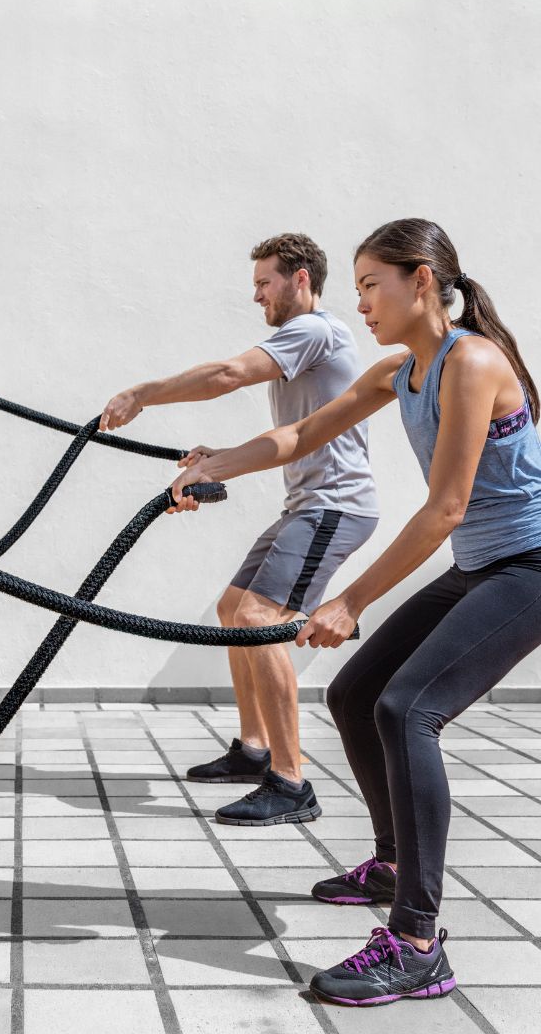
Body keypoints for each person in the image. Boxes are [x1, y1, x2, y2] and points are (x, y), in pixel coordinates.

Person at [171, 217, 541, 1006]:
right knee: (353, 693)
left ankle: (417, 943)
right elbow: (302, 432)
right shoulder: (399, 370)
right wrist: (215, 465)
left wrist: (350, 598)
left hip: (529, 568)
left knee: (409, 709)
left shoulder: (471, 361)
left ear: (421, 281)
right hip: (482, 566)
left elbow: (444, 509)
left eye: (373, 285)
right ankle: (394, 864)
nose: (362, 302)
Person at [101, 233, 378, 826]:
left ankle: (290, 780)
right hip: (308, 501)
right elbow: (296, 438)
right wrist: (219, 456)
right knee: (234, 608)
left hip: (336, 506)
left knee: (259, 619)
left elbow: (228, 374)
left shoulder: (315, 330)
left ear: (300, 278)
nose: (256, 295)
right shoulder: (301, 346)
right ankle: (255, 750)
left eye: (264, 283)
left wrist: (143, 393)